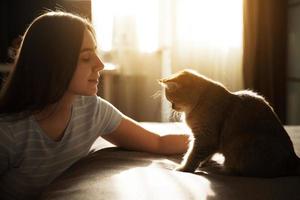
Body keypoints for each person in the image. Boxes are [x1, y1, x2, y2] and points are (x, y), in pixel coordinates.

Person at [0, 11, 189, 199]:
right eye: (85, 57)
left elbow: (158, 142)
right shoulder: (9, 133)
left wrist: (213, 139)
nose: (100, 64)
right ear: (52, 63)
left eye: (96, 53)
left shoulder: (92, 110)